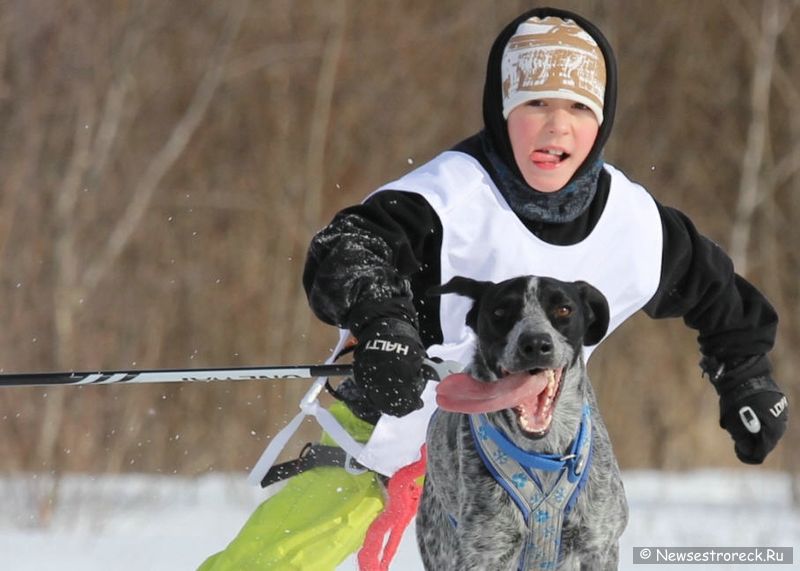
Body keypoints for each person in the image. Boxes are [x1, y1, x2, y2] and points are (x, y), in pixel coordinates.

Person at [200, 6, 788, 570]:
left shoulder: (634, 225)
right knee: (277, 556)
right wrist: (384, 324)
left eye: (579, 107)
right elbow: (346, 248)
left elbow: (719, 296)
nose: (558, 125)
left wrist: (746, 376)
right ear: (501, 110)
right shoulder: (450, 195)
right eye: (535, 102)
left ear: (603, 120)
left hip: (532, 443)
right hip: (396, 419)